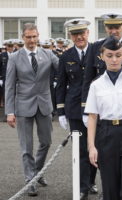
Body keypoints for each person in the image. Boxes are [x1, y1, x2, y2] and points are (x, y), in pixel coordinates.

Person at [81, 13, 122, 190]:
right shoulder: (95, 49)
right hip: (106, 127)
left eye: (117, 27)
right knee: (110, 188)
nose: (114, 59)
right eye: (110, 27)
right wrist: (91, 144)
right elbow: (88, 79)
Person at [5, 23, 59, 196]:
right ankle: (30, 180)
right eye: (28, 37)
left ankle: (38, 172)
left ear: (38, 35)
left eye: (34, 36)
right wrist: (10, 112)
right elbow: (9, 86)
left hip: (44, 104)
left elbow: (63, 70)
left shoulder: (48, 54)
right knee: (26, 147)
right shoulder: (14, 57)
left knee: (47, 142)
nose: (32, 40)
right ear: (23, 37)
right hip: (23, 106)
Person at [56, 19, 92, 200]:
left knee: (97, 148)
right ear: (71, 36)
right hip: (75, 110)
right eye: (75, 34)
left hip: (95, 109)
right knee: (81, 150)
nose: (79, 37)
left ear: (88, 33)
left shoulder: (98, 52)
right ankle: (83, 186)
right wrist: (61, 112)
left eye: (82, 32)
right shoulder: (66, 56)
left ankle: (91, 182)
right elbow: (61, 85)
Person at [0, 39, 14, 121]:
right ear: (6, 47)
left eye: (12, 46)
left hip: (15, 78)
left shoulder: (16, 54)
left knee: (15, 96)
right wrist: (0, 78)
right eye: (9, 46)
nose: (10, 48)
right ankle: (7, 114)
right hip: (5, 78)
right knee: (7, 96)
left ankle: (15, 114)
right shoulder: (2, 55)